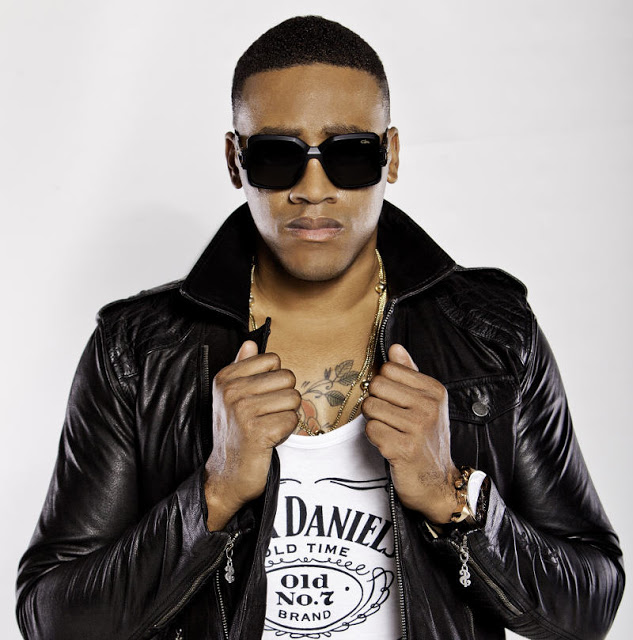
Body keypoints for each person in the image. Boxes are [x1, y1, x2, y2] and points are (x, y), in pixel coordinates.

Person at [16, 15, 624, 640]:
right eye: (277, 156)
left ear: (390, 155)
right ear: (235, 161)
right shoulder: (138, 351)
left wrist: (450, 495)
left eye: (349, 154)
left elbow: (589, 606)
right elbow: (51, 620)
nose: (313, 189)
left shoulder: (492, 336)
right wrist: (214, 494)